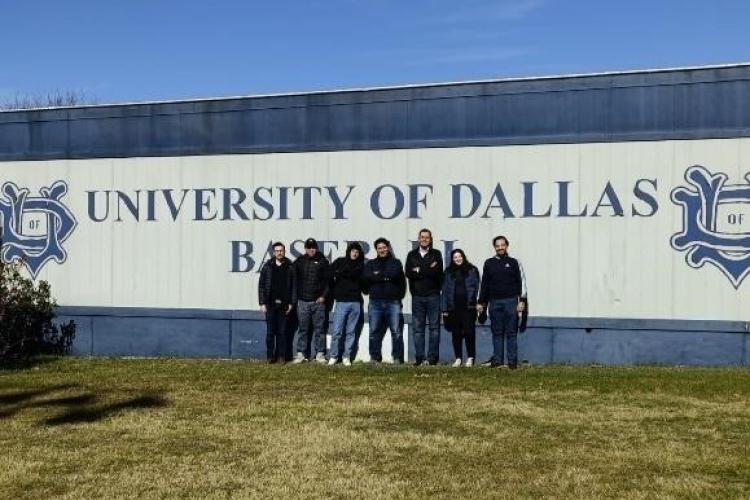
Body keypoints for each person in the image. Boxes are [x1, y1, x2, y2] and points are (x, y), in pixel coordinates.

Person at [477, 236, 527, 369]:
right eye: (497, 245)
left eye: (502, 245)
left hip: (511, 301)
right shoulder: (489, 263)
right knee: (497, 332)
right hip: (494, 302)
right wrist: (481, 302)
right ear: (494, 247)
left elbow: (522, 282)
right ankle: (497, 361)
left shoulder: (514, 262)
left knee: (511, 332)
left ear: (507, 246)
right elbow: (484, 285)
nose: (500, 247)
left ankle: (512, 363)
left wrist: (522, 300)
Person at [363, 237, 406, 364]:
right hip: (375, 302)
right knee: (374, 331)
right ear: (376, 249)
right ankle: (375, 357)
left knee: (396, 331)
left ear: (388, 248)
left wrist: (377, 276)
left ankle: (397, 358)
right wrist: (385, 277)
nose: (382, 250)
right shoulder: (370, 264)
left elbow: (395, 275)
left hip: (393, 302)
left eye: (384, 247)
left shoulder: (396, 262)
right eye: (379, 248)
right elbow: (367, 277)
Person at [405, 228, 443, 366]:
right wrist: (428, 269)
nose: (424, 239)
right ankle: (420, 358)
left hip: (433, 296)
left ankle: (432, 358)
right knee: (418, 329)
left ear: (430, 239)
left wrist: (419, 270)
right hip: (417, 297)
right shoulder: (412, 255)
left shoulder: (436, 254)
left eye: (427, 237)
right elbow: (409, 273)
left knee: (434, 328)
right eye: (422, 237)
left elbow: (438, 273)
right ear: (418, 239)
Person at [258, 242, 296, 363]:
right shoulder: (267, 266)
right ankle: (270, 356)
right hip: (270, 304)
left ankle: (281, 356)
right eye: (277, 251)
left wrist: (291, 303)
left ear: (284, 252)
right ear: (274, 252)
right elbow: (261, 285)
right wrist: (262, 303)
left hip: (284, 305)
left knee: (282, 332)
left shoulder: (290, 266)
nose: (279, 253)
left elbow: (294, 286)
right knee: (270, 332)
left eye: (281, 250)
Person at [293, 238, 330, 363]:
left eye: (313, 247)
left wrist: (323, 296)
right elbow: (292, 276)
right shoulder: (300, 261)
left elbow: (328, 282)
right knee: (303, 329)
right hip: (303, 301)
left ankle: (320, 354)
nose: (311, 250)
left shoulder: (323, 261)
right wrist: (296, 297)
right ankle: (301, 354)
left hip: (317, 302)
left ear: (316, 248)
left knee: (319, 329)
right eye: (309, 248)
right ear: (305, 249)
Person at [328, 241, 365, 366]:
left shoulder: (361, 265)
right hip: (341, 302)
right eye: (353, 251)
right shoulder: (340, 261)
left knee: (351, 332)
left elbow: (361, 279)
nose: (354, 253)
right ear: (348, 251)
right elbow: (329, 273)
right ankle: (333, 356)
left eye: (357, 252)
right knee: (337, 331)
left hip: (355, 302)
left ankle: (346, 356)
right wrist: (336, 288)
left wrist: (343, 274)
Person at [441, 249, 480, 367]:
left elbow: (478, 287)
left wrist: (478, 303)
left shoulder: (472, 270)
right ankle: (458, 358)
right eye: (455, 257)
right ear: (452, 259)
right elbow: (444, 291)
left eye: (459, 256)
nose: (458, 259)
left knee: (469, 333)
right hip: (453, 308)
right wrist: (444, 310)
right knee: (456, 333)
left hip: (469, 307)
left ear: (463, 257)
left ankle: (470, 358)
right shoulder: (448, 272)